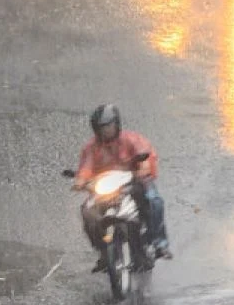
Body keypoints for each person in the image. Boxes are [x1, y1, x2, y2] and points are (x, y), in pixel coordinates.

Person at [74, 104, 172, 272]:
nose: (105, 131)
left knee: (154, 201)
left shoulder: (132, 140)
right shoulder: (91, 147)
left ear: (117, 124)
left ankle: (159, 243)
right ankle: (103, 252)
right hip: (105, 187)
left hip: (134, 182)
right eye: (101, 128)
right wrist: (80, 181)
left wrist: (143, 168)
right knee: (87, 211)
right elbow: (86, 168)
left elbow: (144, 155)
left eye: (108, 127)